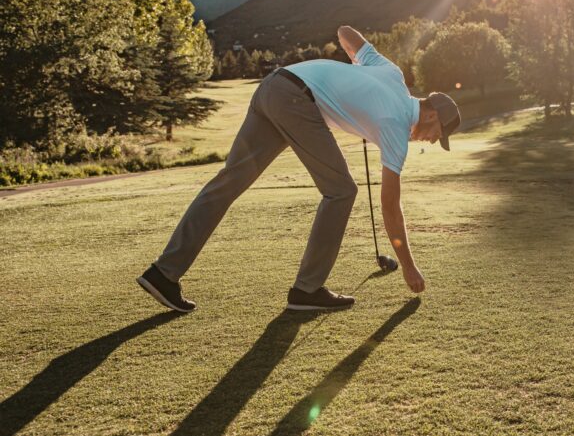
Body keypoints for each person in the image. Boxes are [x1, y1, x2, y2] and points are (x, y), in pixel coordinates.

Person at [136, 25, 461, 312]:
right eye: (439, 135)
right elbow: (391, 207)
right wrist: (409, 267)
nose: (434, 141)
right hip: (295, 101)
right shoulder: (396, 125)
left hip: (274, 85)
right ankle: (307, 289)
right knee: (341, 191)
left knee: (229, 182)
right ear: (431, 114)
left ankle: (163, 274)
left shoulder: (392, 74)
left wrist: (354, 70)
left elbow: (346, 32)